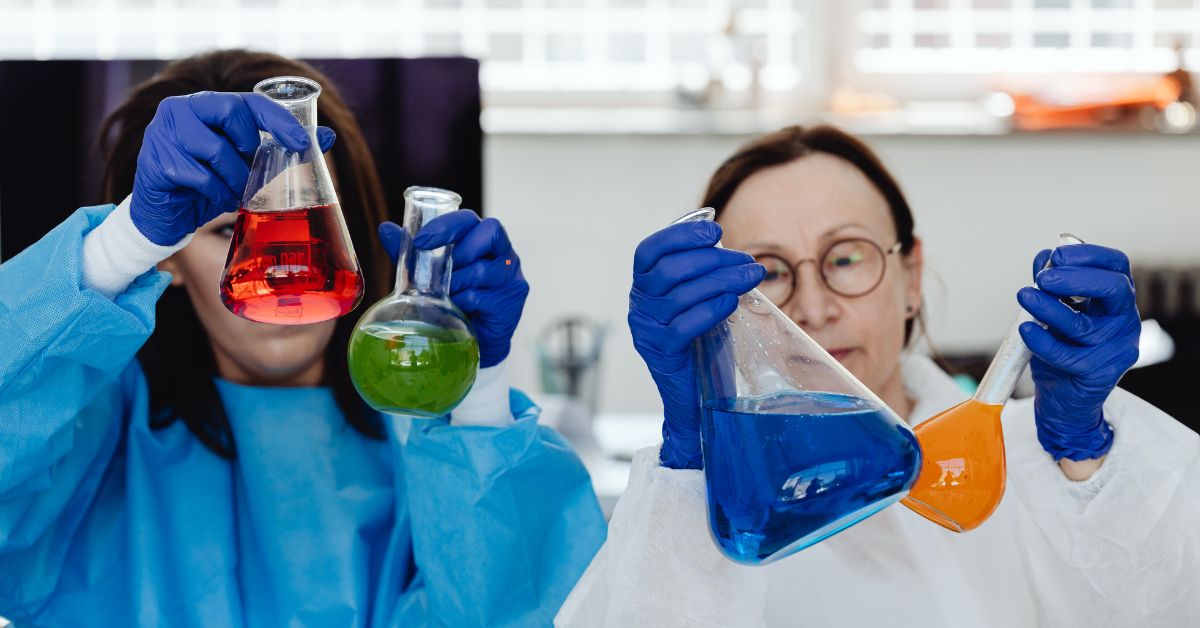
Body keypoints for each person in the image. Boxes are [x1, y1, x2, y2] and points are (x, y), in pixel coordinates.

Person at [0, 50, 605, 627]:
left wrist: (479, 396)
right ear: (170, 260)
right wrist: (118, 247)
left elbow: (525, 610)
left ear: (353, 227)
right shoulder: (83, 435)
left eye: (309, 222)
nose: (286, 271)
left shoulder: (439, 455)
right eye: (231, 231)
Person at [557, 125, 1200, 627]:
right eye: (769, 273)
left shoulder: (1032, 463)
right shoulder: (708, 511)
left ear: (911, 279)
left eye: (845, 257)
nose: (813, 306)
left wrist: (1088, 460)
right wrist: (691, 468)